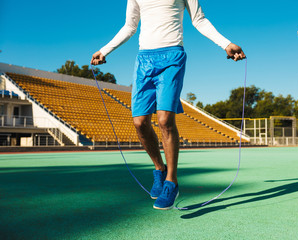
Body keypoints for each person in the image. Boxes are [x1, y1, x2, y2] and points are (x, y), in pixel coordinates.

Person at [91, 0, 246, 210]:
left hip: (173, 56)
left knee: (165, 120)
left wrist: (226, 44)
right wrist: (105, 50)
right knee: (139, 122)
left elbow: (199, 20)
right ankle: (160, 169)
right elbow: (130, 26)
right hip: (144, 59)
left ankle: (171, 182)